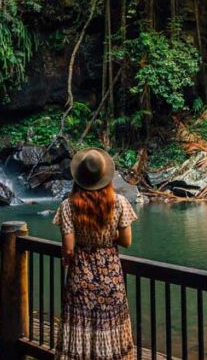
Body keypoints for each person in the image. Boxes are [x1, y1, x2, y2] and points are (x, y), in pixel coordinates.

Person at [54, 148, 137, 360]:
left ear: (78, 178)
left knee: (80, 327)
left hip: (80, 278)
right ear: (105, 176)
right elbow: (127, 241)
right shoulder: (119, 203)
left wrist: (69, 256)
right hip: (111, 278)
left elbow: (69, 248)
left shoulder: (68, 206)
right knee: (110, 327)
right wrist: (106, 240)